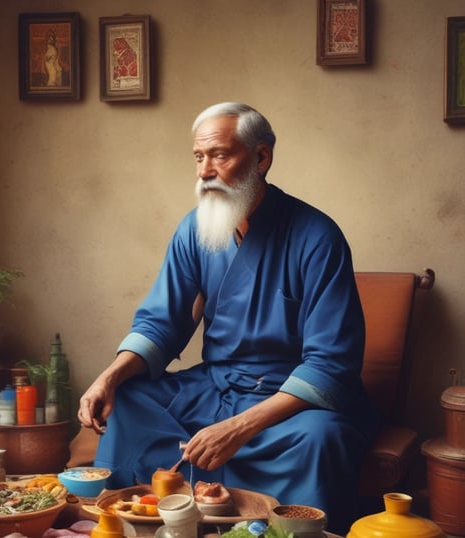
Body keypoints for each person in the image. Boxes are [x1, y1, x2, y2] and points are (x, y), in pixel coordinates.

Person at [77, 102, 379, 534]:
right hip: (216, 386)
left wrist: (237, 428)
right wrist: (109, 376)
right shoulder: (194, 230)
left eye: (220, 155)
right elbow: (163, 322)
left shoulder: (318, 237)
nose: (204, 171)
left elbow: (330, 364)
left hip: (288, 402)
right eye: (199, 158)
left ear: (261, 158)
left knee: (320, 438)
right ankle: (146, 522)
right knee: (126, 398)